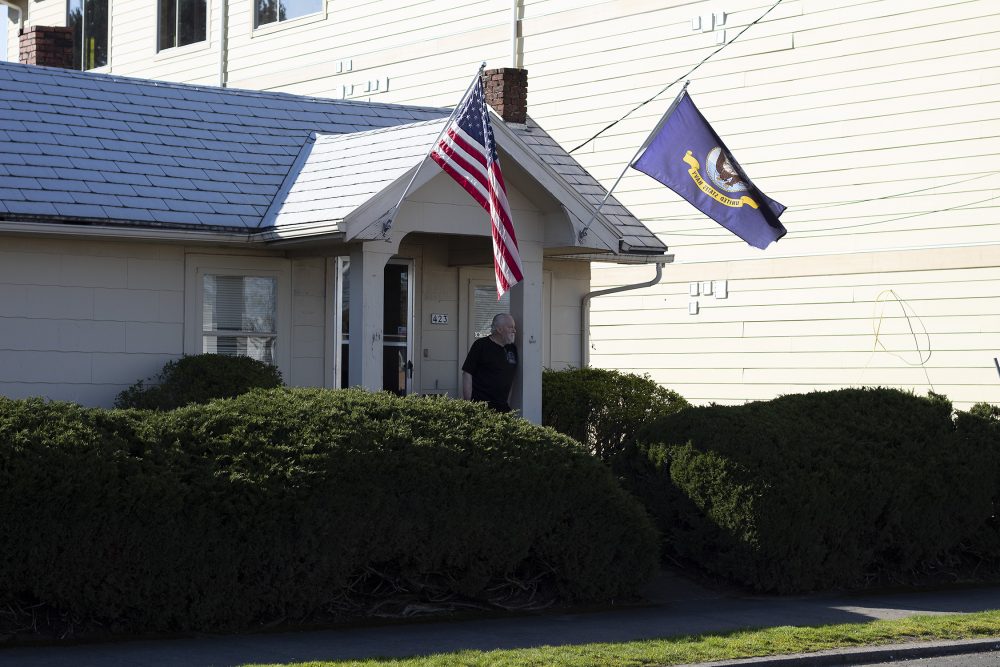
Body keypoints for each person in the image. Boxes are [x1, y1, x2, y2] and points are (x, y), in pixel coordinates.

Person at [461, 313, 518, 412]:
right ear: (499, 330)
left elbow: (510, 377)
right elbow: (467, 373)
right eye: (510, 327)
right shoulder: (481, 345)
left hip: (502, 407)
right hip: (481, 406)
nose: (514, 330)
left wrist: (507, 401)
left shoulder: (512, 349)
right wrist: (468, 404)